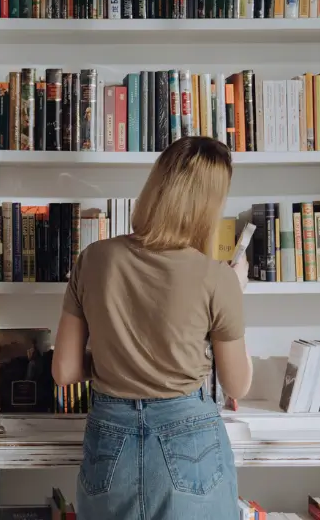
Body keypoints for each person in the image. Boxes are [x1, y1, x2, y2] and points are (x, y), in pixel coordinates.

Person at [52, 136, 252, 520]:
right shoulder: (217, 278)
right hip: (190, 437)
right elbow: (238, 384)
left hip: (109, 438)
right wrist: (236, 292)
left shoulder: (93, 259)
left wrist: (119, 356)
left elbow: (64, 372)